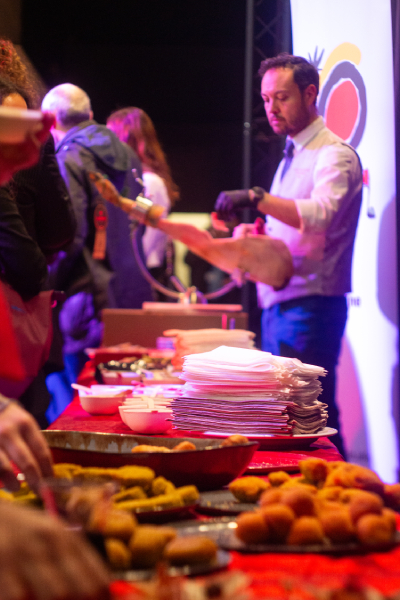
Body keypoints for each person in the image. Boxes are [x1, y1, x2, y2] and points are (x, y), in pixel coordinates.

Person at [214, 53, 363, 457]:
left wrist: (257, 198)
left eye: (281, 97)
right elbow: (290, 226)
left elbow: (322, 215)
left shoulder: (334, 154)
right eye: (266, 99)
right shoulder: (292, 154)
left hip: (312, 305)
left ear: (310, 93)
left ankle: (342, 494)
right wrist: (257, 233)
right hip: (280, 303)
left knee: (311, 419)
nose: (271, 108)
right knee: (291, 418)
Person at [41, 84, 153, 405]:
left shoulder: (69, 157)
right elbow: (139, 220)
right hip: (130, 294)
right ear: (89, 115)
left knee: (77, 404)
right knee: (120, 401)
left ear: (51, 121)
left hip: (86, 299)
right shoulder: (127, 154)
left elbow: (71, 235)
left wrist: (47, 284)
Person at [106, 107, 179, 295]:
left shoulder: (149, 182)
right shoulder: (138, 180)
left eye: (112, 135)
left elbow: (142, 242)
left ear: (127, 138)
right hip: (135, 274)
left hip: (143, 277)